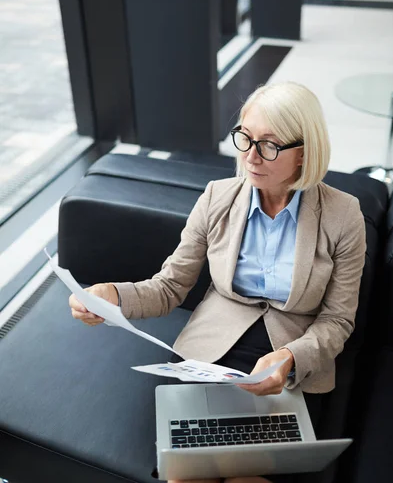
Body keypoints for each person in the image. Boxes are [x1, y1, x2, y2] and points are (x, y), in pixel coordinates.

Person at [69, 81, 366, 483]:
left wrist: (291, 357)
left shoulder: (343, 216)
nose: (250, 157)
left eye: (270, 145)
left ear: (304, 152)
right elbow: (169, 287)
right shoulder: (216, 198)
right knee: (187, 472)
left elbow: (337, 321)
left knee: (248, 477)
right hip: (209, 354)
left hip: (286, 362)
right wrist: (112, 296)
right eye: (245, 138)